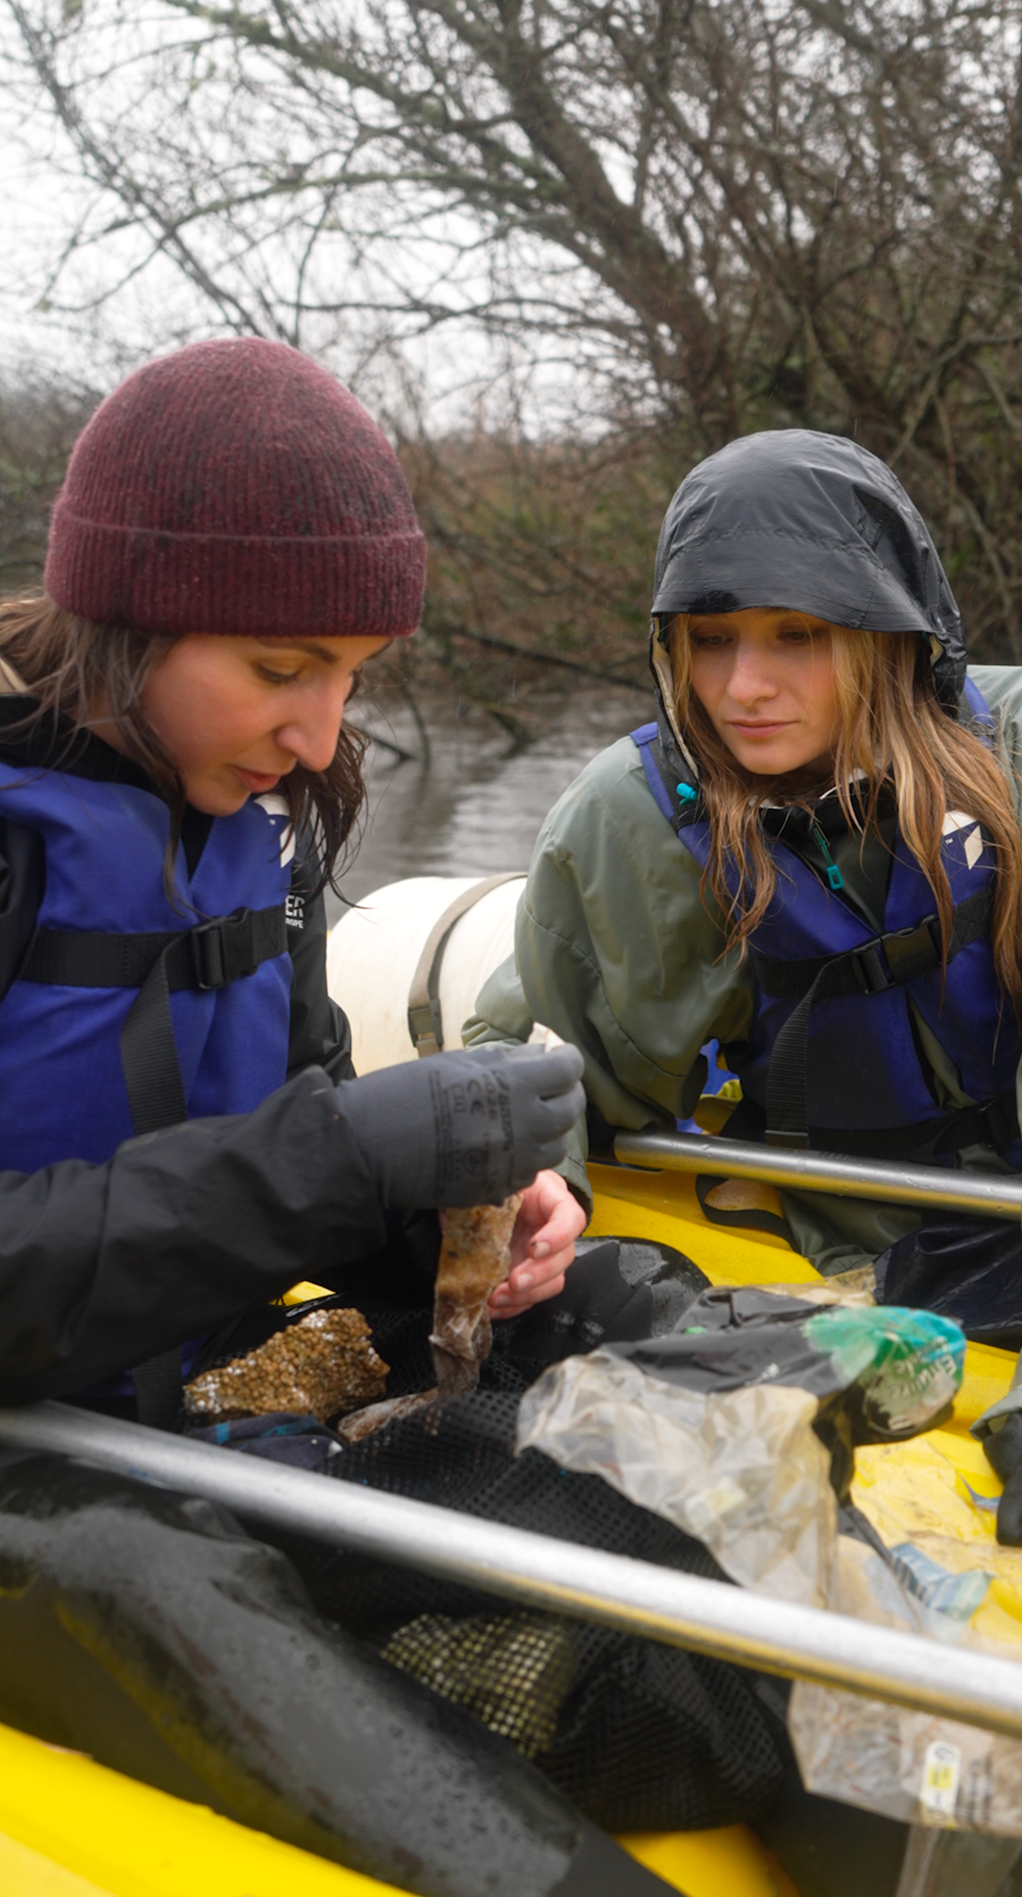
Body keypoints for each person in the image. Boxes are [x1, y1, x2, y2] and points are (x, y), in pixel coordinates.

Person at [467, 427, 1022, 1555]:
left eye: (798, 637)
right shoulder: (634, 816)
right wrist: (535, 1188)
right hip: (836, 1228)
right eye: (711, 641)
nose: (744, 688)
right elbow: (534, 1047)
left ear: (891, 637)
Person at [0, 335, 586, 1421]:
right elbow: (291, 1168)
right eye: (282, 669)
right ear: (130, 617)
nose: (320, 740)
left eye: (351, 675)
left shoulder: (264, 824)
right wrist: (339, 1161)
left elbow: (292, 1125)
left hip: (185, 1394)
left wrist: (448, 1209)